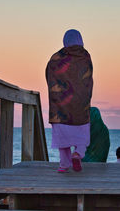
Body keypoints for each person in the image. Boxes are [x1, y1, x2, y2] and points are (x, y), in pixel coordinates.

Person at [46, 29, 93, 173]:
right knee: (82, 132)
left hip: (61, 105)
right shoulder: (85, 56)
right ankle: (78, 153)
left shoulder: (57, 57)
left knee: (63, 134)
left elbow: (49, 72)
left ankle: (64, 164)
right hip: (80, 103)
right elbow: (88, 77)